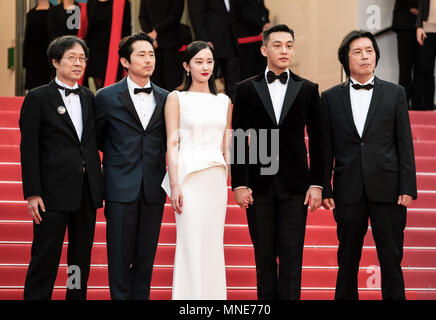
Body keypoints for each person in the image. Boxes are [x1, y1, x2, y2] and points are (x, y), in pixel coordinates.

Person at [321, 30, 417, 300]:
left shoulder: (395, 93)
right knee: (347, 260)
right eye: (357, 52)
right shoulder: (329, 99)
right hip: (347, 188)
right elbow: (326, 147)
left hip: (388, 188)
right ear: (346, 59)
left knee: (391, 258)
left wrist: (408, 185)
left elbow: (404, 143)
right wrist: (325, 187)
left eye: (369, 51)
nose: (365, 56)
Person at [231, 24, 324, 300]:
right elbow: (239, 138)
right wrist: (239, 183)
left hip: (296, 186)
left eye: (289, 45)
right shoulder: (246, 89)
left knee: (293, 257)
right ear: (264, 49)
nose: (284, 50)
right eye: (277, 45)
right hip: (258, 187)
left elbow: (319, 141)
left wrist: (318, 183)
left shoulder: (308, 89)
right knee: (264, 257)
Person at [20, 35, 103, 300]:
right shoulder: (37, 97)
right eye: (71, 58)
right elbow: (29, 148)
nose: (78, 63)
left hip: (85, 194)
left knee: (79, 263)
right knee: (45, 259)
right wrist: (33, 193)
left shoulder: (90, 97)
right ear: (55, 61)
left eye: (82, 59)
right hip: (51, 194)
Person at [95, 32, 169, 300]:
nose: (149, 60)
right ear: (125, 61)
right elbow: (98, 139)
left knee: (145, 259)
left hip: (153, 188)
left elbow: (169, 141)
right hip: (119, 188)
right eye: (141, 54)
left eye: (151, 54)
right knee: (118, 258)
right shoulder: (105, 97)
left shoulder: (166, 97)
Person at [161, 40, 232, 300]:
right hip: (188, 179)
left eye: (209, 61)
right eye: (199, 61)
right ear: (186, 66)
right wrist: (175, 184)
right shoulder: (176, 98)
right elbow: (172, 143)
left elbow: (227, 146)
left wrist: (230, 180)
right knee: (190, 242)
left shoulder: (224, 100)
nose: (205, 66)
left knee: (213, 244)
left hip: (215, 179)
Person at [188, 0, 240, 100]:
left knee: (234, 84)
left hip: (231, 41)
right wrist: (204, 40)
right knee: (207, 82)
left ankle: (233, 113)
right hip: (211, 44)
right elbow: (196, 13)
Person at [84, 0, 131, 90]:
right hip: (95, 50)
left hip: (115, 50)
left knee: (114, 87)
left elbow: (127, 29)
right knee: (99, 87)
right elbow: (88, 27)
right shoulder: (91, 2)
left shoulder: (123, 2)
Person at [139, 0, 185, 91]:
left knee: (171, 80)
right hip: (152, 45)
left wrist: (155, 32)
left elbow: (174, 15)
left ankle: (172, 104)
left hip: (170, 43)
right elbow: (142, 16)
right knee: (153, 80)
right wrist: (150, 35)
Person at [392, 0, 421, 108]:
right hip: (405, 21)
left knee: (422, 68)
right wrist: (411, 7)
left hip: (424, 24)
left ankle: (418, 105)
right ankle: (403, 106)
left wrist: (421, 10)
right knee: (405, 68)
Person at [234, 0, 271, 81]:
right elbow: (245, 14)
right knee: (249, 75)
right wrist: (262, 26)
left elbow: (264, 11)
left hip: (259, 41)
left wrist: (266, 24)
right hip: (246, 42)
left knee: (263, 74)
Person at [23, 0, 53, 91]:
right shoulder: (31, 13)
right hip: (33, 56)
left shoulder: (54, 11)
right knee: (33, 87)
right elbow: (27, 37)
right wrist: (25, 60)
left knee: (48, 88)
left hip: (48, 54)